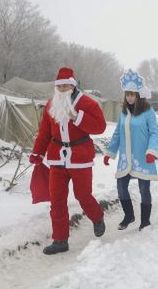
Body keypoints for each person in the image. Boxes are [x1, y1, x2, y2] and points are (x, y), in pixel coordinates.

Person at [29, 67, 108, 255]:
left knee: (83, 196)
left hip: (80, 158)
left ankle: (97, 217)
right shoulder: (50, 105)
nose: (62, 89)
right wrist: (38, 153)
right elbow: (45, 133)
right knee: (57, 200)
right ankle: (60, 240)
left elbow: (100, 127)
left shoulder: (88, 103)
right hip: (57, 158)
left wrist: (77, 117)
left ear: (73, 85)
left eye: (66, 85)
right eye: (59, 86)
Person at [103, 70, 158, 231]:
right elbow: (117, 133)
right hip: (125, 159)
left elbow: (154, 133)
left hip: (143, 157)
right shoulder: (123, 113)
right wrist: (110, 152)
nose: (129, 97)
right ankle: (129, 215)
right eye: (127, 94)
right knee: (121, 187)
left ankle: (145, 221)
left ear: (138, 95)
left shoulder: (148, 112)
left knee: (144, 189)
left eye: (132, 94)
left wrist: (151, 151)